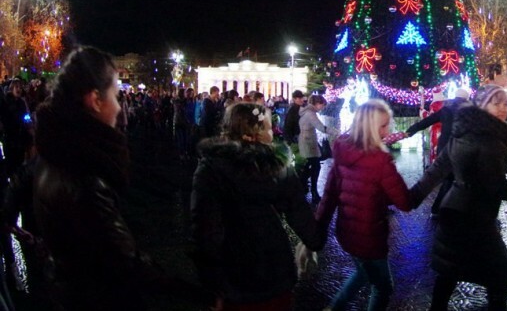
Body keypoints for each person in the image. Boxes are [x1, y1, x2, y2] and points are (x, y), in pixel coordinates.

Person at [33, 47, 162, 310]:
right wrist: (198, 293)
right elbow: (126, 261)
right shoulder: (86, 179)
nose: (119, 107)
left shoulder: (53, 152)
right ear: (95, 100)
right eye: (115, 96)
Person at [410, 84, 507, 310]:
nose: (502, 109)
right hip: (473, 218)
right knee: (500, 274)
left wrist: (412, 197)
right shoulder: (488, 140)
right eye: (495, 102)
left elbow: (437, 169)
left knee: (449, 271)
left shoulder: (464, 130)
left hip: (452, 212)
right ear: (481, 105)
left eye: (504, 103)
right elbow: (499, 188)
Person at [191, 102, 324, 310]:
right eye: (270, 127)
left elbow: (204, 231)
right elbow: (298, 212)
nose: (273, 132)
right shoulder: (278, 167)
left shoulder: (210, 167)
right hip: (274, 267)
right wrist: (315, 240)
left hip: (232, 273)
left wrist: (212, 283)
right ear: (257, 132)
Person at [315, 99, 411, 310]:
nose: (388, 130)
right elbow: (405, 202)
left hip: (347, 231)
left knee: (363, 273)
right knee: (382, 287)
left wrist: (317, 229)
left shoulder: (342, 148)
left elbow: (330, 193)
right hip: (370, 237)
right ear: (370, 127)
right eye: (383, 125)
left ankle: (334, 308)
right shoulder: (379, 161)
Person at [403, 89, 471, 213]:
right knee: (453, 179)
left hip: (445, 148)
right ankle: (440, 209)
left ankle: (441, 208)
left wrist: (411, 131)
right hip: (460, 149)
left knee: (449, 178)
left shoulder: (446, 109)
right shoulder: (470, 111)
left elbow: (427, 121)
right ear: (467, 98)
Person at [298, 94, 339, 204]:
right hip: (308, 143)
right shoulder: (310, 114)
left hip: (307, 142)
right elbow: (321, 127)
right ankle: (312, 192)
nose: (323, 108)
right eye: (322, 105)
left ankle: (303, 188)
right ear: (318, 104)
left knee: (310, 167)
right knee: (314, 167)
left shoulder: (307, 112)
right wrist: (335, 132)